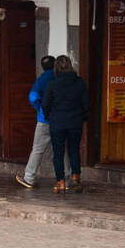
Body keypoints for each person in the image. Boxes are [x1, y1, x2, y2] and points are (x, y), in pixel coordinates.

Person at [42, 54, 89, 194]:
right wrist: (83, 117)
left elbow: (45, 104)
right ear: (70, 65)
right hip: (75, 121)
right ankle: (75, 177)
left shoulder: (52, 83)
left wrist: (49, 116)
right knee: (74, 150)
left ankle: (61, 183)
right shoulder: (79, 82)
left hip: (57, 122)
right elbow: (86, 103)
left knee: (58, 153)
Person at [15, 55, 55, 189]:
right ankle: (66, 179)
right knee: (63, 150)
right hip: (60, 120)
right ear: (55, 65)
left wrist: (39, 109)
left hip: (44, 120)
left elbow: (33, 96)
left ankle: (29, 178)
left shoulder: (42, 79)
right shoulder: (59, 78)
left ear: (42, 67)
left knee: (37, 149)